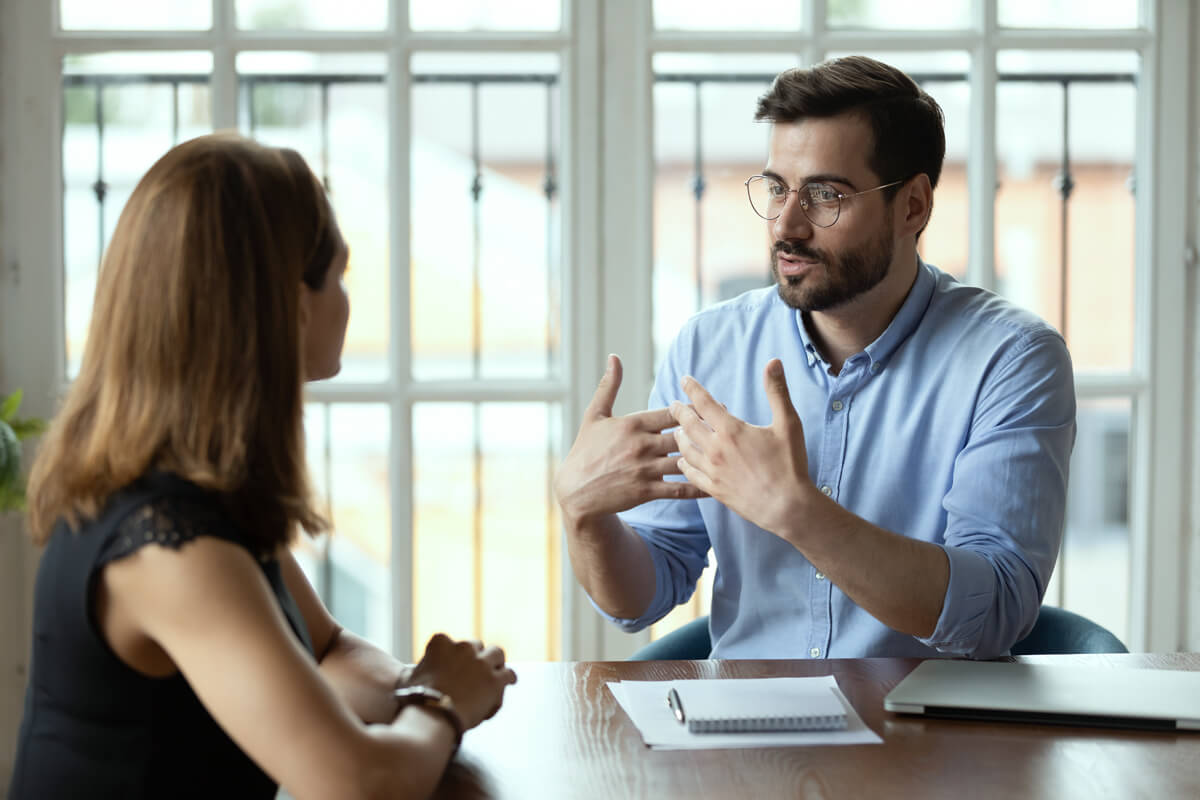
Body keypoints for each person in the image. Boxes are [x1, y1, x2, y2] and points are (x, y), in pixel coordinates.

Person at [8, 133, 516, 800]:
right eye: (338, 275)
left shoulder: (200, 495)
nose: (346, 299)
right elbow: (360, 785)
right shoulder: (169, 546)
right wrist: (439, 703)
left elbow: (330, 649)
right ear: (288, 302)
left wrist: (409, 695)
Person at [554, 56, 1076, 661]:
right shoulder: (708, 348)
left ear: (913, 206)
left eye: (826, 194)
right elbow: (647, 592)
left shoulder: (1012, 360)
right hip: (749, 733)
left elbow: (996, 612)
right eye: (777, 187)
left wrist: (797, 512)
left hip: (932, 738)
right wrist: (583, 515)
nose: (786, 225)